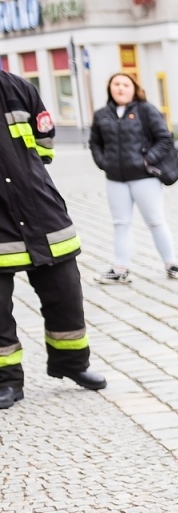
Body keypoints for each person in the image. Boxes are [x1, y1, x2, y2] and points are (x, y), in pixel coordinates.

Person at [0, 65, 105, 410]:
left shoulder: (18, 88)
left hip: (42, 212)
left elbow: (44, 145)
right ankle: (6, 380)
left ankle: (73, 365)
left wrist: (27, 176)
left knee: (65, 294)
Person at [89, 73, 178, 283]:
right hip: (115, 179)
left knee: (156, 221)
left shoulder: (145, 110)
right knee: (120, 223)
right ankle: (120, 269)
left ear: (134, 88)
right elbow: (95, 142)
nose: (121, 88)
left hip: (144, 178)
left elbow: (164, 139)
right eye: (116, 84)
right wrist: (103, 162)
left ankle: (172, 265)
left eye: (125, 84)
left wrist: (147, 160)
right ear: (110, 88)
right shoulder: (101, 114)